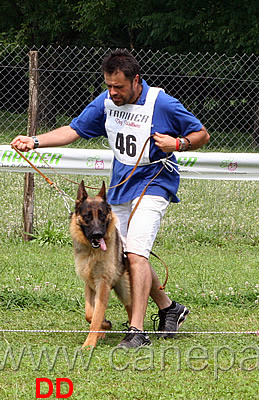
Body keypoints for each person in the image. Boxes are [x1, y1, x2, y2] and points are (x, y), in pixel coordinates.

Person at [11, 49, 210, 348]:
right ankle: (170, 308)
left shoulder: (162, 104)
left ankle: (137, 332)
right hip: (120, 187)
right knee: (126, 256)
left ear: (136, 80)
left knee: (136, 254)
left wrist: (178, 143)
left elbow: (202, 134)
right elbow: (73, 130)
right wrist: (35, 141)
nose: (113, 92)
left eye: (119, 86)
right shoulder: (106, 102)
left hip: (155, 182)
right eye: (109, 86)